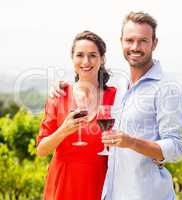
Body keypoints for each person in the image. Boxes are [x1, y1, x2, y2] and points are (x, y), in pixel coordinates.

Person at [51, 11, 182, 200]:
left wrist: (131, 142)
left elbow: (176, 147)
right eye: (129, 40)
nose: (135, 47)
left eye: (143, 41)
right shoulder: (121, 86)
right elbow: (89, 81)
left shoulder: (166, 88)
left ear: (154, 43)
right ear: (121, 41)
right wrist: (63, 86)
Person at [36, 31, 116, 200]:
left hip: (100, 184)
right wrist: (63, 131)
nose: (86, 61)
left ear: (102, 59)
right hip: (63, 185)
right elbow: (42, 150)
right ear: (73, 59)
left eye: (93, 55)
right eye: (80, 55)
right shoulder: (59, 95)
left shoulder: (116, 96)